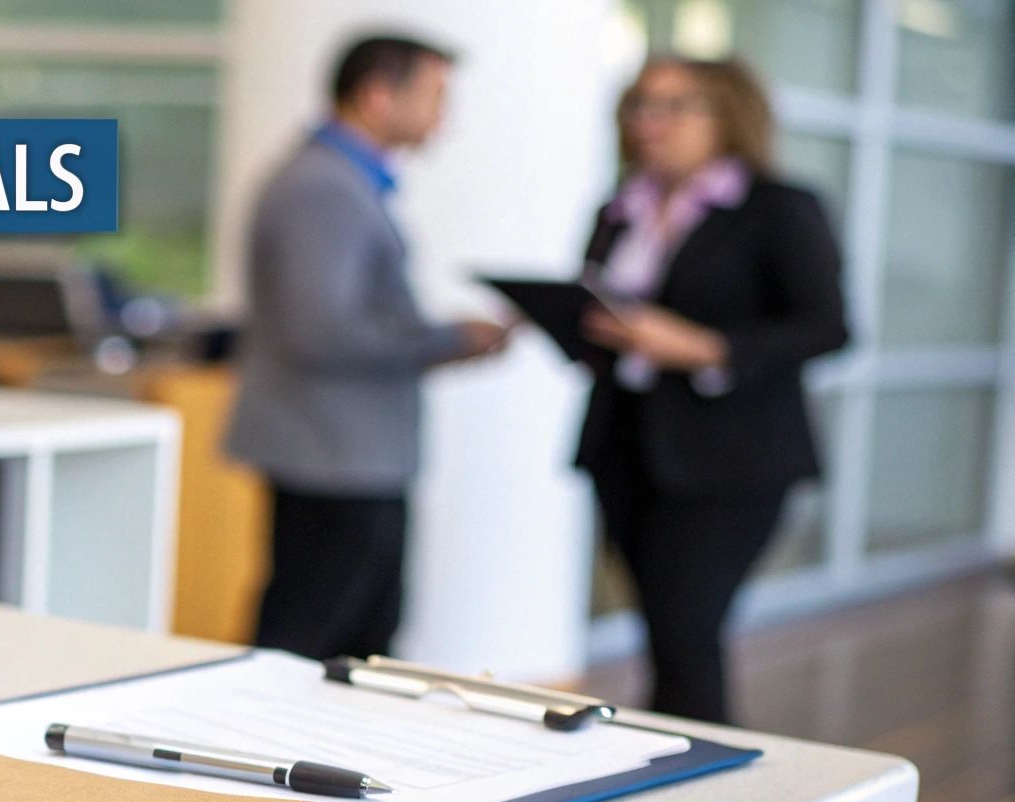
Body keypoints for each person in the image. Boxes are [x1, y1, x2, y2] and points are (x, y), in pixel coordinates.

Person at [576, 57, 848, 723]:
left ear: (727, 113)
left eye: (674, 106)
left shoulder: (777, 208)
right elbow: (601, 312)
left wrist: (704, 346)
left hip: (733, 459)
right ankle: (674, 758)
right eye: (641, 106)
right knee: (664, 633)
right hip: (627, 446)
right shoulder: (621, 208)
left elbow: (826, 327)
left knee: (687, 631)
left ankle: (699, 770)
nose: (651, 123)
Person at [225, 35, 508, 661]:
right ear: (378, 95)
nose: (444, 117)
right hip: (331, 453)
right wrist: (449, 339)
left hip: (349, 450)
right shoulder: (322, 187)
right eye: (435, 96)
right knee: (307, 640)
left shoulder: (347, 180)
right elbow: (321, 330)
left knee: (361, 637)